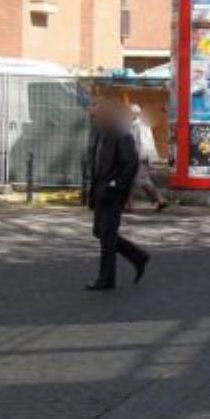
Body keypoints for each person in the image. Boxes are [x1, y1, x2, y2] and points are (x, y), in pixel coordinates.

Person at [86, 99, 150, 291]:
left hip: (113, 193)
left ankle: (106, 279)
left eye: (96, 116)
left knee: (107, 235)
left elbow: (130, 163)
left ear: (108, 116)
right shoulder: (101, 133)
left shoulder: (122, 134)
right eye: (92, 117)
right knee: (100, 232)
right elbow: (98, 163)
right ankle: (138, 256)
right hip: (101, 191)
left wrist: (116, 185)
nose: (93, 120)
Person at [128, 103, 169, 212]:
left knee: (141, 180)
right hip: (139, 155)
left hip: (139, 156)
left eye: (130, 112)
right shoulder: (138, 124)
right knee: (132, 180)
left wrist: (138, 156)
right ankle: (129, 204)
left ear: (135, 113)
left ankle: (159, 199)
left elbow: (142, 142)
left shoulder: (138, 125)